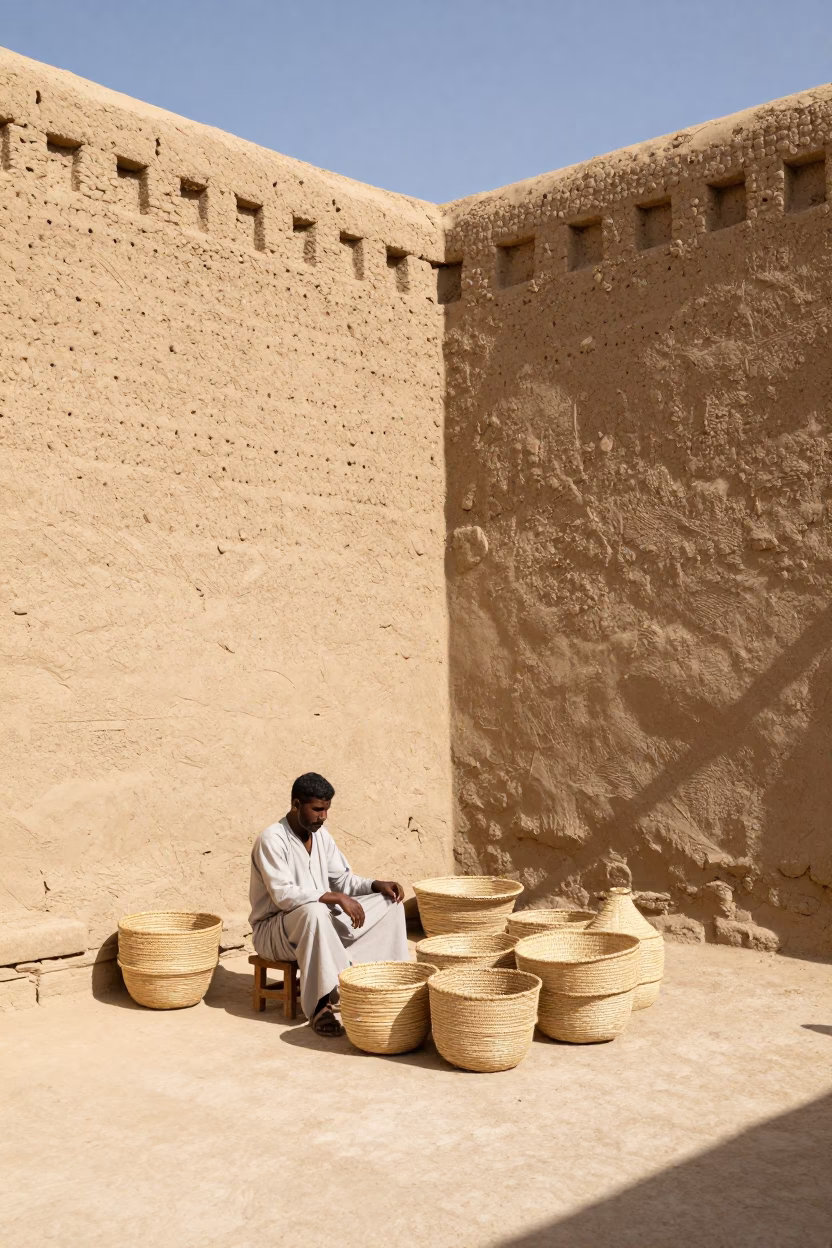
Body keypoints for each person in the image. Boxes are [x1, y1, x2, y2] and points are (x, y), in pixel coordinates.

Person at [249, 772, 407, 1036]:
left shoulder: (322, 837)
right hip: (275, 932)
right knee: (314, 910)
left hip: (322, 925)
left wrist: (375, 885)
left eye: (326, 810)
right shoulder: (271, 840)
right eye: (317, 809)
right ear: (296, 805)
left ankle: (383, 984)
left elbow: (343, 881)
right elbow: (283, 895)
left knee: (390, 903)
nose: (323, 817)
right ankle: (321, 1006)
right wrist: (331, 897)